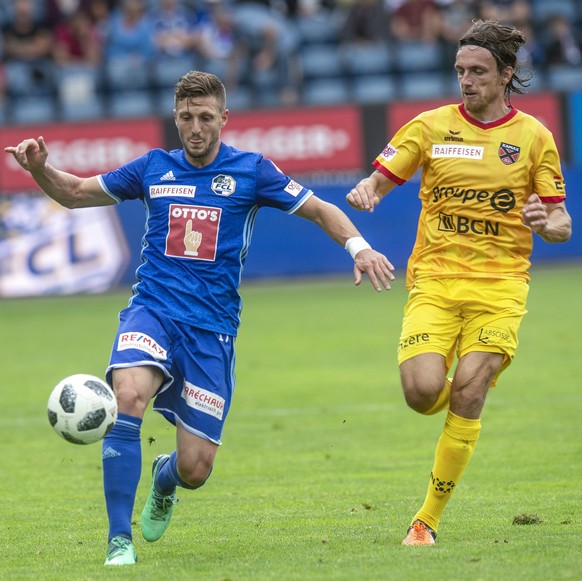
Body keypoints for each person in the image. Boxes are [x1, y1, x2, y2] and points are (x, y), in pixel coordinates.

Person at [5, 70, 394, 565]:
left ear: (224, 119)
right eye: (186, 117)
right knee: (128, 396)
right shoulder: (152, 168)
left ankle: (164, 478)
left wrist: (358, 248)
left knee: (196, 468)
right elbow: (76, 193)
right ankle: (118, 540)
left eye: (205, 117)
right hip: (153, 310)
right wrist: (40, 169)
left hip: (211, 332)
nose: (195, 127)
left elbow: (319, 209)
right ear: (175, 116)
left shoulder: (252, 170)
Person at [346, 19, 572, 545]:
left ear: (506, 75)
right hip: (436, 283)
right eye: (460, 71)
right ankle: (464, 406)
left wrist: (547, 223)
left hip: (501, 288)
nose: (466, 81)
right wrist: (368, 190)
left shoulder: (534, 138)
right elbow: (379, 178)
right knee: (422, 392)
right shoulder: (430, 127)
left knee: (468, 393)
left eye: (477, 72)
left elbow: (561, 222)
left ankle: (425, 521)